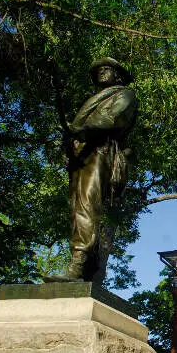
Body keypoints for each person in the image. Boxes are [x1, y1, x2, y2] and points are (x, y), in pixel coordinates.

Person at [53, 57, 138, 281]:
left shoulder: (124, 95)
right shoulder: (92, 100)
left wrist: (78, 129)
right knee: (77, 208)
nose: (101, 72)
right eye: (98, 70)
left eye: (107, 69)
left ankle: (77, 266)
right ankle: (90, 269)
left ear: (118, 75)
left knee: (87, 205)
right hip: (82, 155)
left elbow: (111, 119)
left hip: (101, 152)